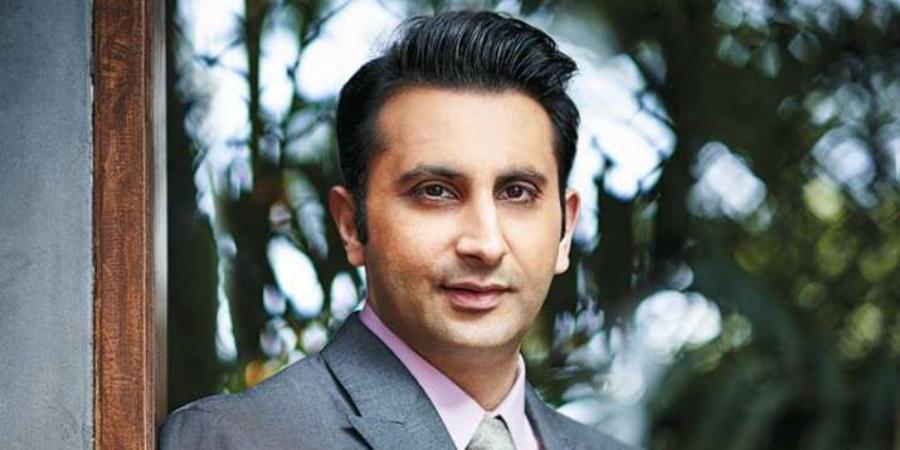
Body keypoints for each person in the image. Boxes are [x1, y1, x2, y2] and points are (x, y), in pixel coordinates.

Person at [161, 10, 635, 450]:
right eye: (435, 191)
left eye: (517, 192)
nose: (485, 244)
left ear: (565, 230)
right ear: (351, 225)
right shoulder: (236, 439)